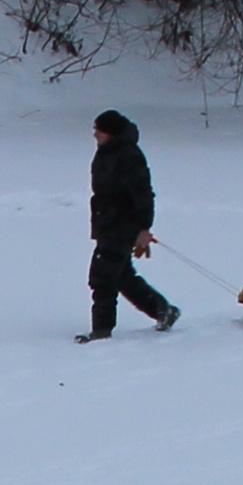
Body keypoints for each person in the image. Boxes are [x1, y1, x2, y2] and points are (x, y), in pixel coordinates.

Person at [86, 109, 177, 339]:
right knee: (121, 275)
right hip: (108, 224)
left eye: (99, 130)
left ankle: (101, 331)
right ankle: (163, 310)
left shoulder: (128, 155)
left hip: (123, 225)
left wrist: (144, 229)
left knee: (103, 276)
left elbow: (143, 194)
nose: (95, 135)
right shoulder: (106, 152)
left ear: (112, 132)